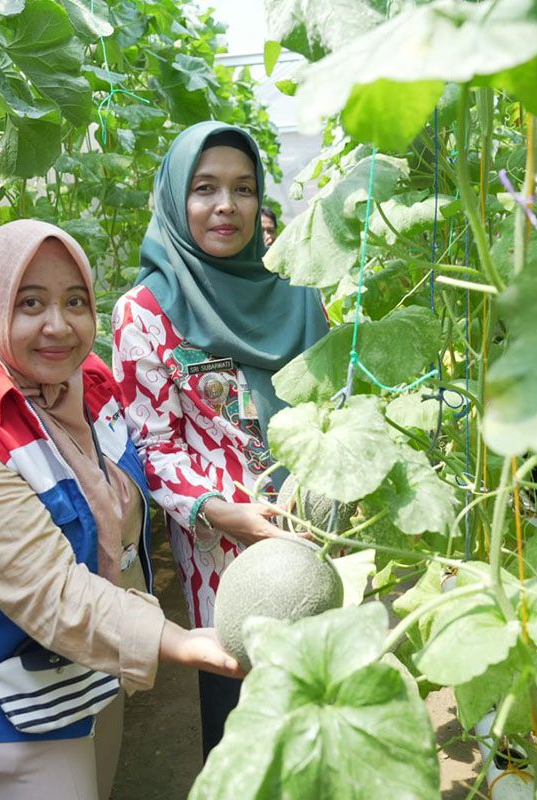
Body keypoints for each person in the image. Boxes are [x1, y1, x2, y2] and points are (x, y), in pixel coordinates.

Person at [0, 220, 240, 800]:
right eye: (30, 303)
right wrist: (181, 642)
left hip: (87, 661)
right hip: (10, 692)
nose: (58, 325)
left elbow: (131, 477)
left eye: (75, 301)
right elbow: (49, 593)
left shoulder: (85, 379)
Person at [111, 122, 328, 759]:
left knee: (321, 712)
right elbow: (153, 449)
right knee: (245, 728)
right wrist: (222, 512)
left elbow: (329, 410)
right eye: (205, 188)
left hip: (317, 532)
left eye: (243, 188)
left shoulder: (298, 290)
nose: (226, 206)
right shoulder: (145, 312)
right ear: (177, 197)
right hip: (224, 552)